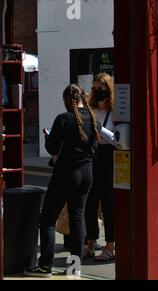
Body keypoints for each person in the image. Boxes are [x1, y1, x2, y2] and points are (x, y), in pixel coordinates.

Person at [24, 84, 101, 278]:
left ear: (67, 100)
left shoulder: (63, 119)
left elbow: (52, 147)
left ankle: (45, 267)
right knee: (77, 219)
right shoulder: (93, 120)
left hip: (67, 173)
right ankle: (74, 268)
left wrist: (50, 136)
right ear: (83, 97)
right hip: (86, 173)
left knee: (48, 218)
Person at [83, 73, 116, 262]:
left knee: (109, 204)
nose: (97, 92)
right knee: (90, 202)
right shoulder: (91, 109)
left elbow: (116, 138)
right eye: (94, 89)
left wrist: (99, 128)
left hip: (109, 158)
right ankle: (90, 242)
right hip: (92, 157)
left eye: (101, 89)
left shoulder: (115, 112)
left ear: (108, 90)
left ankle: (110, 244)